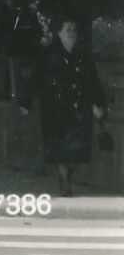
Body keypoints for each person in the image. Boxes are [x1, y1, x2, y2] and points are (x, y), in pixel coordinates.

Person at [19, 17, 108, 196]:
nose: (71, 33)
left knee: (78, 153)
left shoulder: (83, 55)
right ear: (59, 33)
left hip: (79, 110)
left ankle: (67, 173)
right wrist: (25, 102)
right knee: (60, 150)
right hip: (55, 110)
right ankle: (64, 179)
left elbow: (93, 81)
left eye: (74, 29)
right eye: (67, 29)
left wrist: (98, 104)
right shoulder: (47, 54)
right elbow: (35, 78)